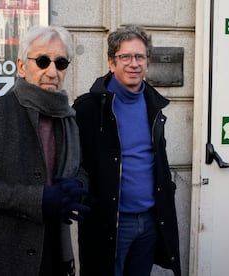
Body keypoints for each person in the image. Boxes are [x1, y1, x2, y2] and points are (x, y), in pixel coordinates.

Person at [0, 25, 90, 276]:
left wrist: (79, 186)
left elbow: (78, 167)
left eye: (61, 63)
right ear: (21, 66)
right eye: (42, 61)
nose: (52, 71)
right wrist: (38, 199)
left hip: (55, 252)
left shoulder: (68, 117)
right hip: (4, 258)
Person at [73, 25, 181, 276]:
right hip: (111, 222)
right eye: (125, 57)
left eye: (139, 57)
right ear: (112, 62)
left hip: (150, 221)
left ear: (147, 62)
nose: (133, 63)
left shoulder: (154, 105)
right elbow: (74, 163)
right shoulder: (89, 108)